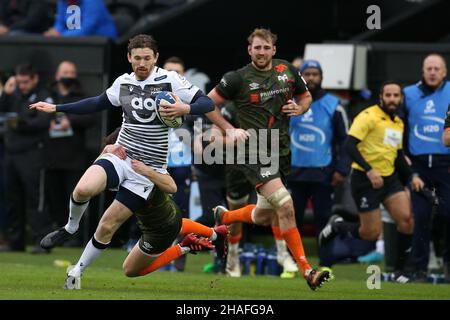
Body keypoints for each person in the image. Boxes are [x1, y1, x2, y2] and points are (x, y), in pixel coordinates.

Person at [30, 34, 223, 285]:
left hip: (146, 169)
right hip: (123, 153)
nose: (142, 64)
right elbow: (98, 102)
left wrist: (184, 108)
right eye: (137, 58)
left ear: (155, 58)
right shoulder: (123, 82)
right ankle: (70, 228)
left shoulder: (170, 80)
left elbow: (206, 103)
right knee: (83, 189)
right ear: (129, 58)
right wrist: (57, 108)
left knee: (108, 225)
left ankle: (77, 270)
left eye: (147, 58)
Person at [207, 28, 330, 290]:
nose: (261, 52)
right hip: (254, 149)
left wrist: (300, 107)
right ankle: (306, 269)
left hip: (282, 150)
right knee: (285, 205)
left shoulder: (287, 71)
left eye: (266, 48)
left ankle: (225, 218)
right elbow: (208, 103)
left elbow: (305, 96)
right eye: (256, 47)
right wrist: (229, 129)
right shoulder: (237, 78)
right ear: (249, 49)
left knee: (265, 216)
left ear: (274, 49)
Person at [65, 128, 228, 289]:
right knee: (178, 223)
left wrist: (147, 171)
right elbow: (97, 172)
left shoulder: (138, 168)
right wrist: (107, 150)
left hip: (159, 231)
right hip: (169, 216)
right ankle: (215, 234)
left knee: (130, 270)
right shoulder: (125, 166)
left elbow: (171, 186)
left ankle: (185, 246)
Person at [318, 81, 425, 281]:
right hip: (364, 180)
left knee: (407, 220)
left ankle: (400, 272)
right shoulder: (368, 116)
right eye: (388, 95)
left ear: (401, 99)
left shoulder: (398, 123)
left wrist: (411, 176)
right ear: (381, 97)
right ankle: (338, 226)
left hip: (390, 179)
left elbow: (398, 155)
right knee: (370, 233)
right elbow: (350, 145)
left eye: (396, 96)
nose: (392, 99)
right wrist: (369, 170)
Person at [288, 60, 351, 271]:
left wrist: (342, 169)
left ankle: (326, 264)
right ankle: (293, 264)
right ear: (301, 76)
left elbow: (346, 141)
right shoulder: (288, 102)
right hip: (294, 174)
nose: (311, 78)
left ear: (321, 77)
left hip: (324, 174)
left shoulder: (334, 104)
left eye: (315, 74)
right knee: (291, 220)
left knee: (323, 220)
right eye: (307, 73)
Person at [401, 53, 450, 281]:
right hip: (419, 166)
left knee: (448, 214)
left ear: (444, 72)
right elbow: (398, 129)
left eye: (436, 68)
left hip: (446, 165)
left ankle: (447, 265)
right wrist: (405, 163)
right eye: (428, 68)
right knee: (420, 218)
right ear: (423, 71)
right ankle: (418, 268)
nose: (432, 72)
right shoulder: (408, 94)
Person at [0, 64, 53, 253]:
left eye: (25, 82)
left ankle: (42, 242)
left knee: (35, 199)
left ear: (34, 79)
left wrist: (20, 123)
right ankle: (16, 242)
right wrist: (6, 93)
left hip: (33, 154)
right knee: (12, 199)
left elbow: (43, 121)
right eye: (19, 82)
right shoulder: (14, 95)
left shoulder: (43, 96)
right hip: (11, 154)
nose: (21, 86)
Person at [46, 61, 96, 244]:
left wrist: (71, 121)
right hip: (50, 156)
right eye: (65, 72)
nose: (68, 75)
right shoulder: (48, 94)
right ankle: (58, 234)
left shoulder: (81, 96)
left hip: (74, 156)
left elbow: (91, 117)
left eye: (72, 72)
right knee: (54, 198)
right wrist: (48, 122)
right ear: (57, 75)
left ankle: (76, 238)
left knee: (76, 197)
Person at [44, 0, 117, 39]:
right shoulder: (63, 1)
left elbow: (86, 29)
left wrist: (60, 35)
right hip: (75, 41)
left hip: (101, 43)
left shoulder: (93, 1)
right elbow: (60, 23)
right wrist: (54, 32)